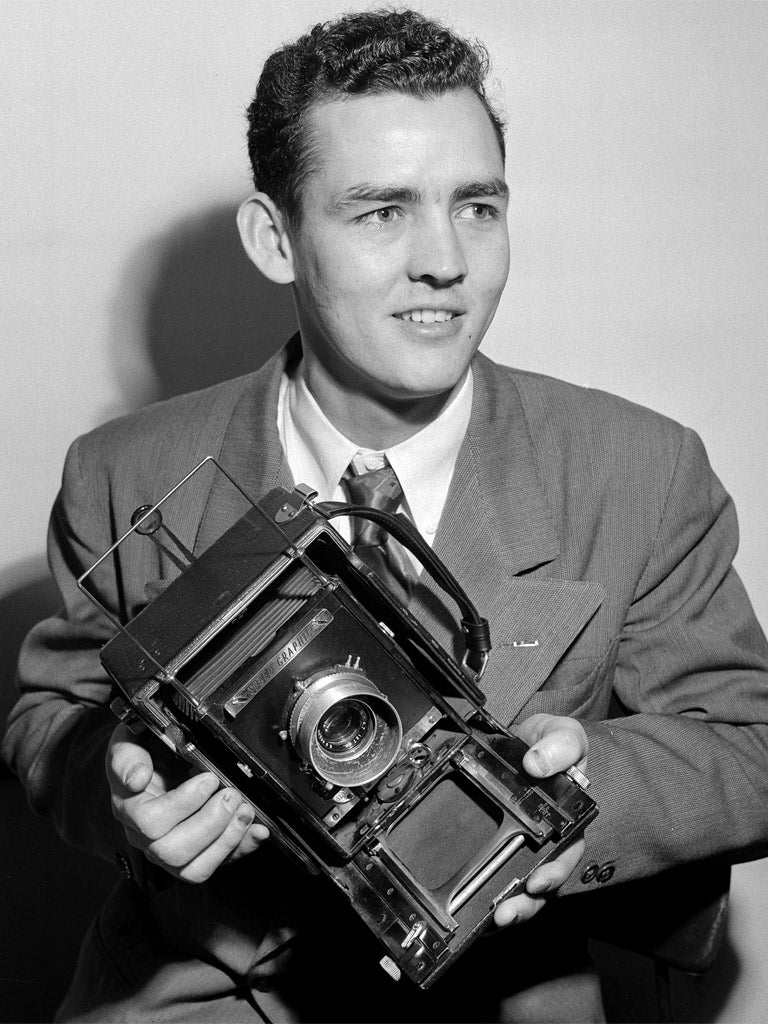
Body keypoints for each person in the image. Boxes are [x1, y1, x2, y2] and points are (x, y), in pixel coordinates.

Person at [4, 8, 768, 1023]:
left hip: (502, 991)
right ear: (275, 238)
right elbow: (48, 713)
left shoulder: (637, 470)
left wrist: (584, 787)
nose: (445, 261)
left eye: (478, 206)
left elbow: (749, 745)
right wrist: (121, 788)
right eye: (382, 210)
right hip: (199, 987)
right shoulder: (127, 472)